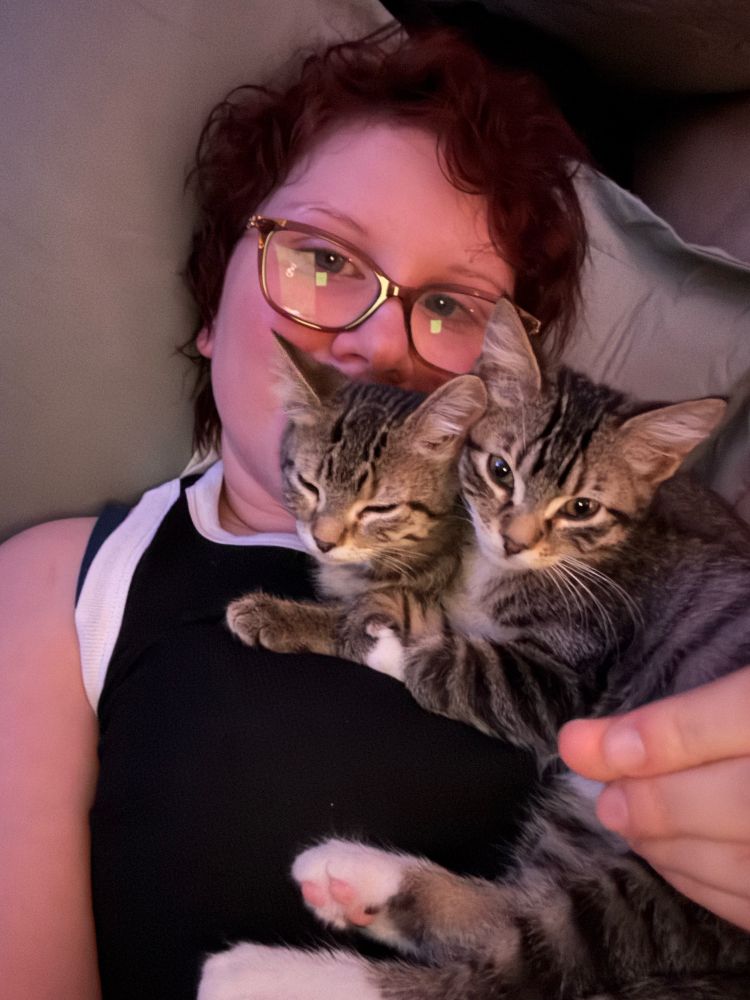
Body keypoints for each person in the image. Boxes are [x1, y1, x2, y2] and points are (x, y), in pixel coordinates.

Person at [0, 22, 747, 1000]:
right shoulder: (64, 583)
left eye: (450, 308)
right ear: (212, 301)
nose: (380, 338)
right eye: (323, 258)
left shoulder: (586, 540)